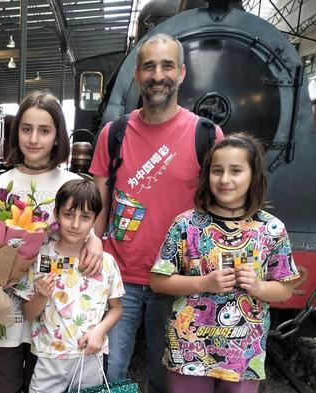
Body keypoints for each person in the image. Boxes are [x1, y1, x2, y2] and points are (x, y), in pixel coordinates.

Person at [89, 33, 224, 392]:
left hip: (177, 280)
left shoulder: (207, 135)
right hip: (120, 276)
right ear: (137, 75)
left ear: (181, 73)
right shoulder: (113, 133)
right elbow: (99, 198)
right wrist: (94, 246)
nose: (157, 75)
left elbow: (221, 206)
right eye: (149, 66)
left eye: (167, 66)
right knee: (109, 370)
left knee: (166, 378)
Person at [150, 133, 300, 393]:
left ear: (253, 175)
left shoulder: (272, 229)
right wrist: (204, 282)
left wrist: (258, 288)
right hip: (189, 352)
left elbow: (285, 287)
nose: (225, 179)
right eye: (217, 170)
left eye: (236, 170)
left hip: (243, 354)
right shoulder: (186, 225)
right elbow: (158, 281)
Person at [0, 91, 104, 393]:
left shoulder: (73, 185)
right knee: (2, 384)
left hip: (53, 314)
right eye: (26, 128)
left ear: (58, 137)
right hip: (3, 306)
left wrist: (95, 240)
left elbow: (86, 230)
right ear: (16, 132)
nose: (34, 139)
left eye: (44, 130)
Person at [16, 179, 124, 393]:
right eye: (68, 215)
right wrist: (41, 297)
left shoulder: (106, 262)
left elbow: (116, 308)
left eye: (85, 217)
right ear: (56, 213)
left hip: (90, 357)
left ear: (94, 219)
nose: (75, 225)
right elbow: (28, 314)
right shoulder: (40, 258)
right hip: (49, 358)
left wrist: (100, 331)